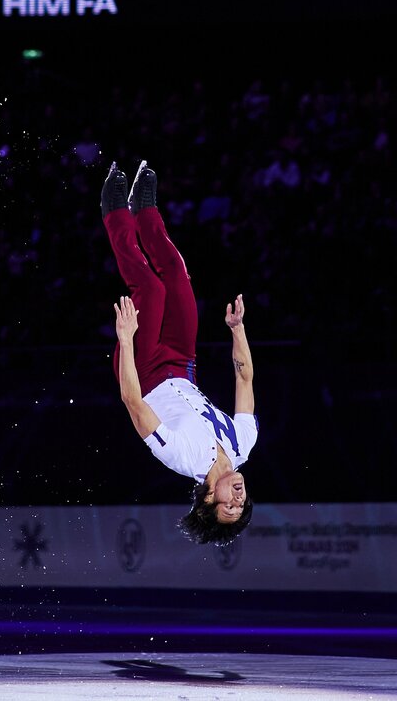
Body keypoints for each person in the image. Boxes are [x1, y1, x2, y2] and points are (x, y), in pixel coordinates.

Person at [103, 159, 258, 545]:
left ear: (207, 500)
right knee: (175, 274)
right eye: (242, 506)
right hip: (181, 362)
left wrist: (125, 339)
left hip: (142, 367)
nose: (238, 499)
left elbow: (132, 401)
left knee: (151, 289)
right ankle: (146, 208)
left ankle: (114, 212)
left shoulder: (181, 458)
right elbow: (244, 376)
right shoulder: (244, 443)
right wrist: (237, 331)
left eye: (228, 507)